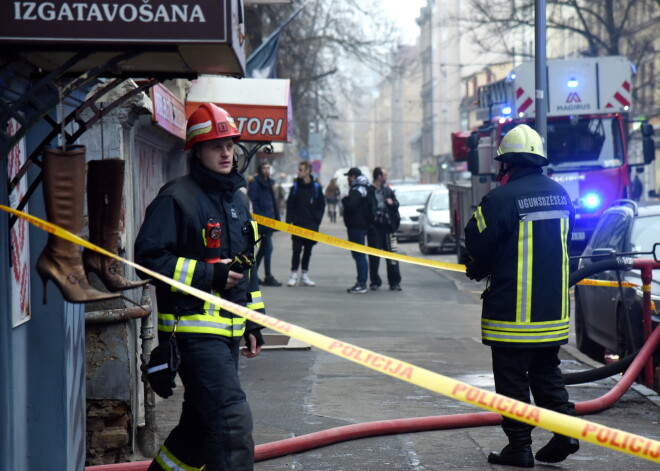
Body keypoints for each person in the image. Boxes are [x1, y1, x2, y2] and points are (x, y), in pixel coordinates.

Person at [135, 103, 266, 471]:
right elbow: (148, 259)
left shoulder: (236, 201)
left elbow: (246, 270)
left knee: (198, 427)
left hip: (228, 336)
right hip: (192, 334)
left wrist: (254, 321)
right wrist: (210, 276)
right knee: (231, 424)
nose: (226, 153)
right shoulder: (176, 198)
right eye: (216, 146)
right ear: (197, 151)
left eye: (230, 145)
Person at [463, 124, 579, 468]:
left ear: (505, 164)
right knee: (547, 373)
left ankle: (520, 447)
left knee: (512, 381)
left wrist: (479, 266)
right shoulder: (561, 195)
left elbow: (476, 241)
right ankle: (565, 432)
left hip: (513, 313)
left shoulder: (500, 198)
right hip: (553, 314)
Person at [285, 160, 326, 287]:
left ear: (308, 171)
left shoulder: (316, 188)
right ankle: (293, 275)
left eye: (301, 170)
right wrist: (289, 220)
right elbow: (290, 205)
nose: (299, 172)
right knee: (296, 250)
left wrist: (316, 220)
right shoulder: (295, 187)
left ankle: (304, 275)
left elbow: (321, 205)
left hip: (311, 224)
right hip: (298, 224)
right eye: (299, 169)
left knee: (308, 250)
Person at [248, 161, 282, 287]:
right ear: (260, 169)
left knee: (264, 249)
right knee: (268, 247)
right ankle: (268, 276)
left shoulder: (269, 183)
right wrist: (260, 219)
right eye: (264, 168)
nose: (267, 170)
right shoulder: (255, 184)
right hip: (262, 222)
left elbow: (273, 203)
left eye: (268, 168)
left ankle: (253, 273)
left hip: (270, 221)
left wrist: (276, 220)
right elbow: (254, 202)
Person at [367, 167, 402, 291]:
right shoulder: (369, 191)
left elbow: (397, 204)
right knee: (374, 257)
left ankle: (394, 282)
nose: (386, 177)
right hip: (375, 229)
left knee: (392, 256)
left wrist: (392, 203)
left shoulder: (388, 191)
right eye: (384, 175)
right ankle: (375, 281)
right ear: (379, 176)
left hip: (389, 228)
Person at [341, 167, 372, 294]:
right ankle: (361, 281)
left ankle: (362, 283)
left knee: (359, 255)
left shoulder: (356, 190)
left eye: (348, 176)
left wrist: (345, 199)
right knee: (359, 255)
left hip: (356, 226)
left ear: (353, 176)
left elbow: (351, 206)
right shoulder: (365, 187)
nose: (347, 178)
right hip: (362, 225)